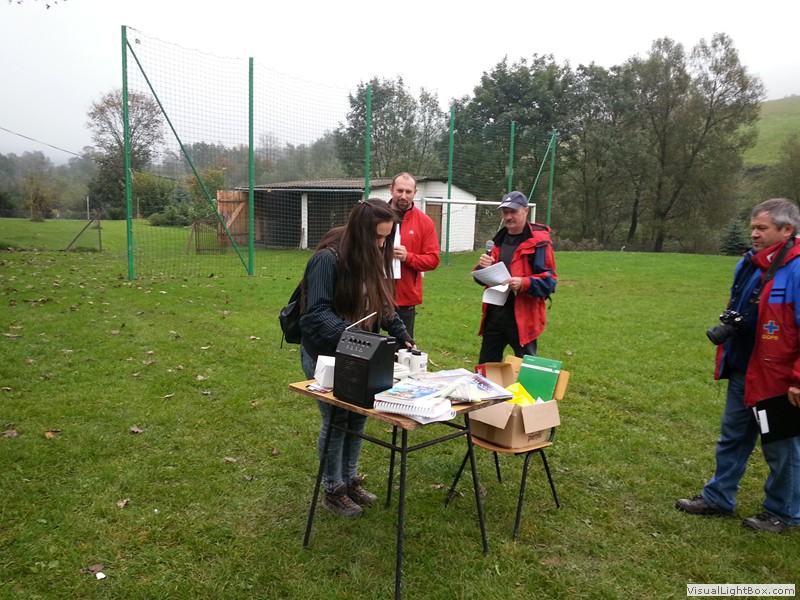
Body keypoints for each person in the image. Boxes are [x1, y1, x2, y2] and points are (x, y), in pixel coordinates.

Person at [676, 198, 800, 533]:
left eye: (762, 228)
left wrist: (798, 379)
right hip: (745, 367)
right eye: (753, 228)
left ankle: (784, 512)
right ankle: (718, 497)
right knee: (733, 437)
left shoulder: (797, 269)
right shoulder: (749, 264)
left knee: (781, 447)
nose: (755, 234)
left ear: (786, 230)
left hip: (777, 378)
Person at [298, 199, 415, 519]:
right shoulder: (327, 259)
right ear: (361, 232)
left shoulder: (374, 254)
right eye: (377, 237)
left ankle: (350, 481)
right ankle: (333, 490)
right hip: (325, 353)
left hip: (360, 351)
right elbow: (317, 313)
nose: (382, 244)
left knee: (358, 416)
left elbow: (381, 303)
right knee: (337, 420)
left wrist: (400, 332)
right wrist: (359, 341)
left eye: (386, 237)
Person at [474, 191, 557, 364]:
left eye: (513, 212)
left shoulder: (539, 243)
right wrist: (482, 268)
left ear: (526, 211)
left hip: (523, 317)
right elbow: (480, 279)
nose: (508, 217)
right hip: (494, 315)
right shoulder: (497, 241)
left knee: (527, 368)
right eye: (505, 212)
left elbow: (550, 283)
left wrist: (523, 283)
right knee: (486, 367)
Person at [387, 172, 441, 337]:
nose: (403, 196)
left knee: (402, 345)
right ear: (391, 190)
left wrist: (407, 257)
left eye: (408, 192)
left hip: (405, 297)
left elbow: (433, 260)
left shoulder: (425, 222)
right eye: (399, 191)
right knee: (366, 343)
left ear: (415, 192)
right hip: (374, 292)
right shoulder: (376, 215)